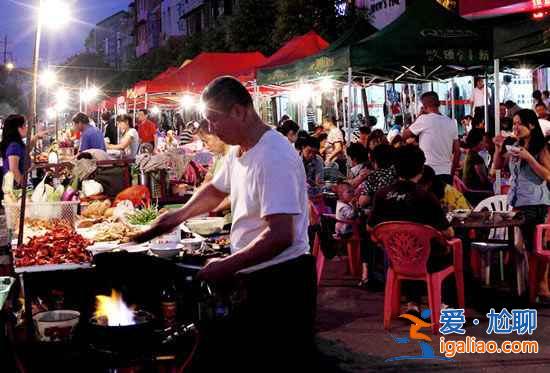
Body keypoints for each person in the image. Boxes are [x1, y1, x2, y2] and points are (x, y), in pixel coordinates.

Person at [133, 76, 315, 370]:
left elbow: (280, 235)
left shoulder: (274, 155)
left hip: (279, 281)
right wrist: (176, 217)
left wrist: (225, 265)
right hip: (253, 273)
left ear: (239, 111)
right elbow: (217, 190)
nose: (211, 129)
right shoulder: (238, 149)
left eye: (214, 120)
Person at [368, 144, 454, 313]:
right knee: (449, 247)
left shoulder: (382, 195)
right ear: (421, 168)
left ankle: (412, 303)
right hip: (427, 260)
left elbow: (370, 228)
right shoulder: (426, 197)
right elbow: (447, 232)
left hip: (396, 258)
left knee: (409, 248)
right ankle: (446, 303)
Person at [493, 109, 550, 296]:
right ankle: (528, 284)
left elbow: (547, 175)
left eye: (519, 124)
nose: (515, 128)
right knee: (523, 246)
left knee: (535, 246)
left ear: (531, 125)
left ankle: (540, 285)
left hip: (535, 203)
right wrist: (498, 149)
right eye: (514, 124)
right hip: (517, 202)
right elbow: (498, 166)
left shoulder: (541, 147)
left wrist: (529, 158)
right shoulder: (515, 145)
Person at [403, 91, 460, 185]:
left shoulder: (423, 119)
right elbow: (457, 151)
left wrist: (418, 116)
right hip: (446, 172)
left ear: (424, 106)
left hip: (427, 172)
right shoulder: (451, 122)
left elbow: (404, 135)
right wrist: (451, 173)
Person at [0, 115, 46, 186]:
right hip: (14, 188)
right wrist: (24, 187)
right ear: (19, 128)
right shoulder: (14, 146)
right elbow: (14, 170)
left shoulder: (17, 143)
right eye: (25, 125)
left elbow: (26, 150)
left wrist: (36, 137)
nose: (27, 127)